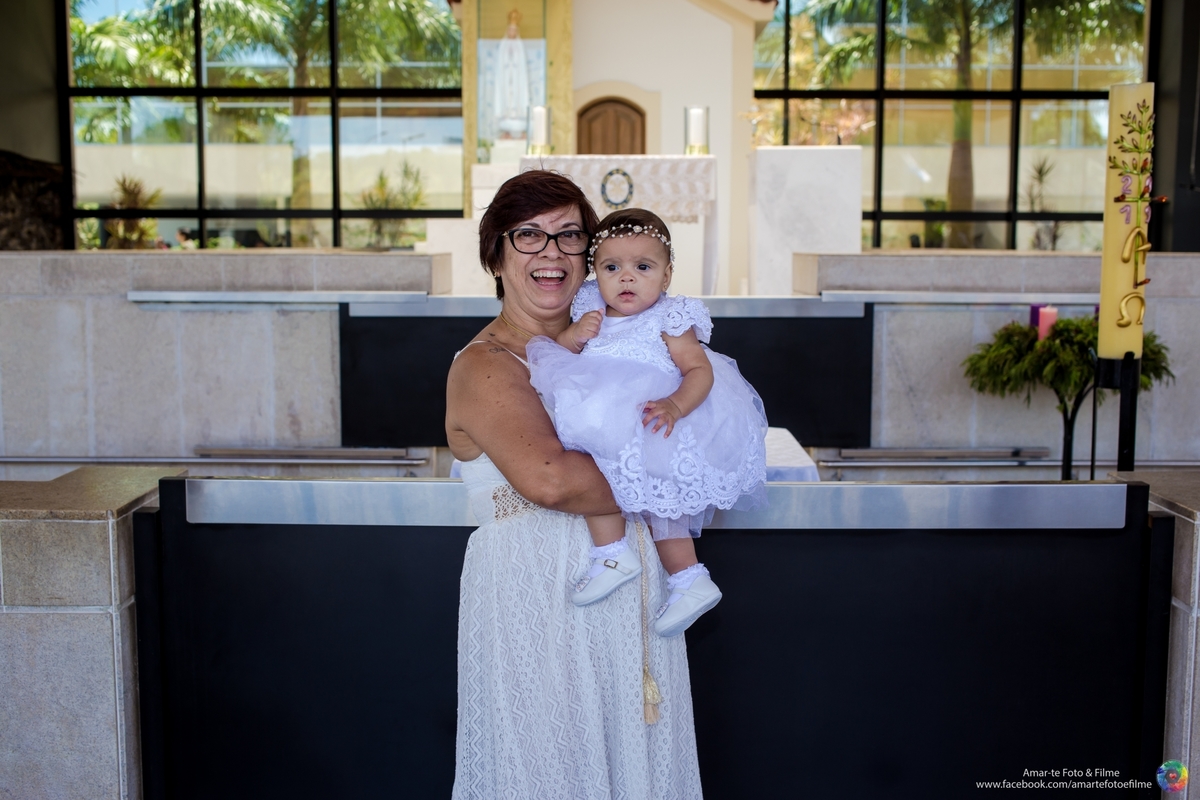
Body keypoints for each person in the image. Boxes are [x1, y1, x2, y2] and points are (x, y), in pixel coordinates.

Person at [445, 171, 703, 798]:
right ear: (496, 255)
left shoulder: (616, 344)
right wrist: (684, 473)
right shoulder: (485, 364)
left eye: (568, 236)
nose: (551, 253)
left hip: (631, 594)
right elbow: (552, 480)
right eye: (529, 236)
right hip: (539, 596)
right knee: (549, 767)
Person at [526, 208, 767, 638]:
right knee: (591, 474)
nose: (627, 278)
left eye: (643, 267)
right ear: (595, 273)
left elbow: (699, 371)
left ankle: (689, 578)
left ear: (667, 274)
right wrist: (575, 335)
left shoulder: (669, 319)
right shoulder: (590, 312)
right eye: (612, 267)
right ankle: (612, 553)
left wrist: (676, 405)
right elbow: (559, 351)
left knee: (663, 506)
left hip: (653, 422)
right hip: (603, 427)